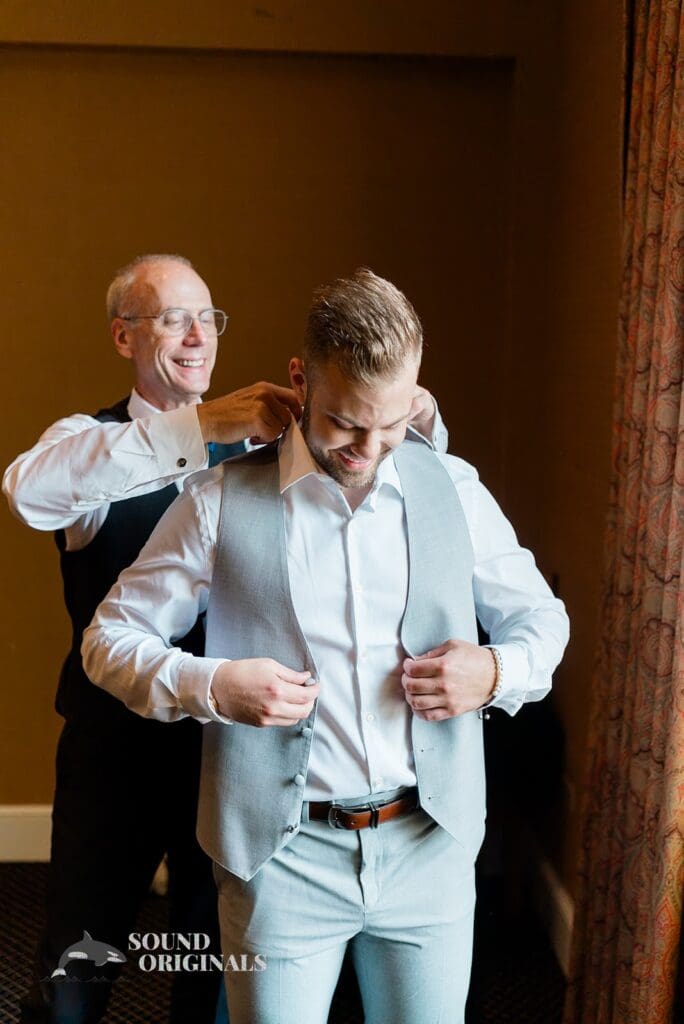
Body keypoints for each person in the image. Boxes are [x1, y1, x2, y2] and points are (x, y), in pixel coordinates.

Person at [81, 267, 569, 1024]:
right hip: (280, 859)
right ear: (301, 380)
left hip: (430, 848)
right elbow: (107, 641)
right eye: (345, 423)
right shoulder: (217, 502)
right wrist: (211, 684)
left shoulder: (455, 489)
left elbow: (544, 621)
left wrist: (497, 668)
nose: (369, 448)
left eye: (394, 422)